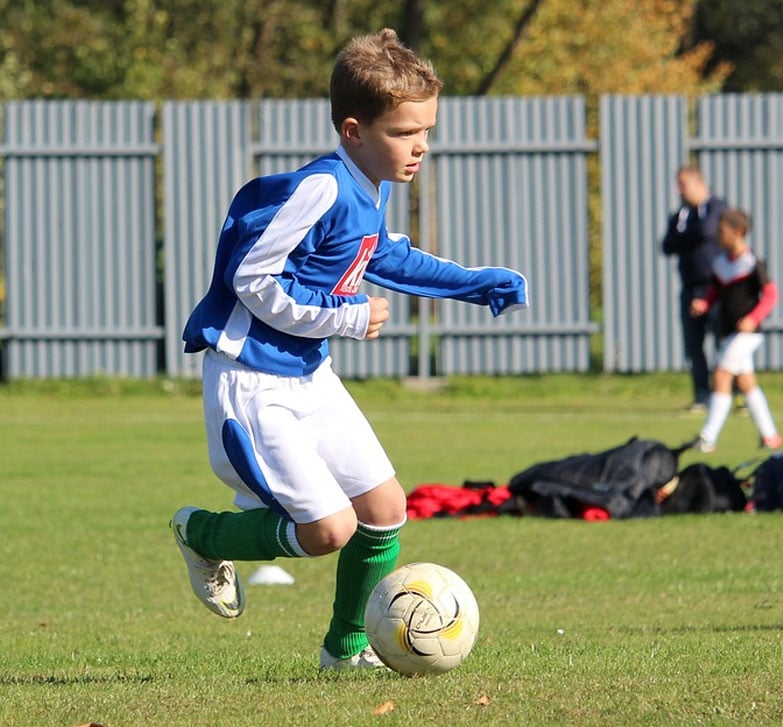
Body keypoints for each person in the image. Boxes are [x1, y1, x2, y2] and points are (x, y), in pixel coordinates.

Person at [170, 28, 529, 671]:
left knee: (387, 510)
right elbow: (250, 276)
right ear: (353, 130)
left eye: (426, 131)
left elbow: (386, 256)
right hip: (253, 382)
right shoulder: (324, 188)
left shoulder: (371, 185)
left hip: (311, 377)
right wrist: (347, 314)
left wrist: (475, 283)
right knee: (326, 533)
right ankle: (200, 533)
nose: (419, 146)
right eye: (403, 132)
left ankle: (345, 651)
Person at [689, 208, 781, 453]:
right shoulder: (720, 263)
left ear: (738, 232)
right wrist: (704, 303)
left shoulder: (751, 263)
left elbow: (771, 295)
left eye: (722, 231)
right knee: (746, 382)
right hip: (729, 332)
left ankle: (708, 437)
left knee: (721, 375)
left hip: (748, 334)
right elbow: (715, 291)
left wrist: (753, 318)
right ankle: (771, 436)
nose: (719, 236)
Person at [661, 164, 728, 414]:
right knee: (694, 345)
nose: (679, 191)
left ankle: (734, 394)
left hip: (718, 289)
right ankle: (702, 395)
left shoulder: (717, 207)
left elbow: (708, 230)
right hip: (690, 290)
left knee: (726, 344)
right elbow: (667, 245)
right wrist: (688, 235)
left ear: (698, 184)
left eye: (683, 185)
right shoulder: (681, 215)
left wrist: (685, 236)